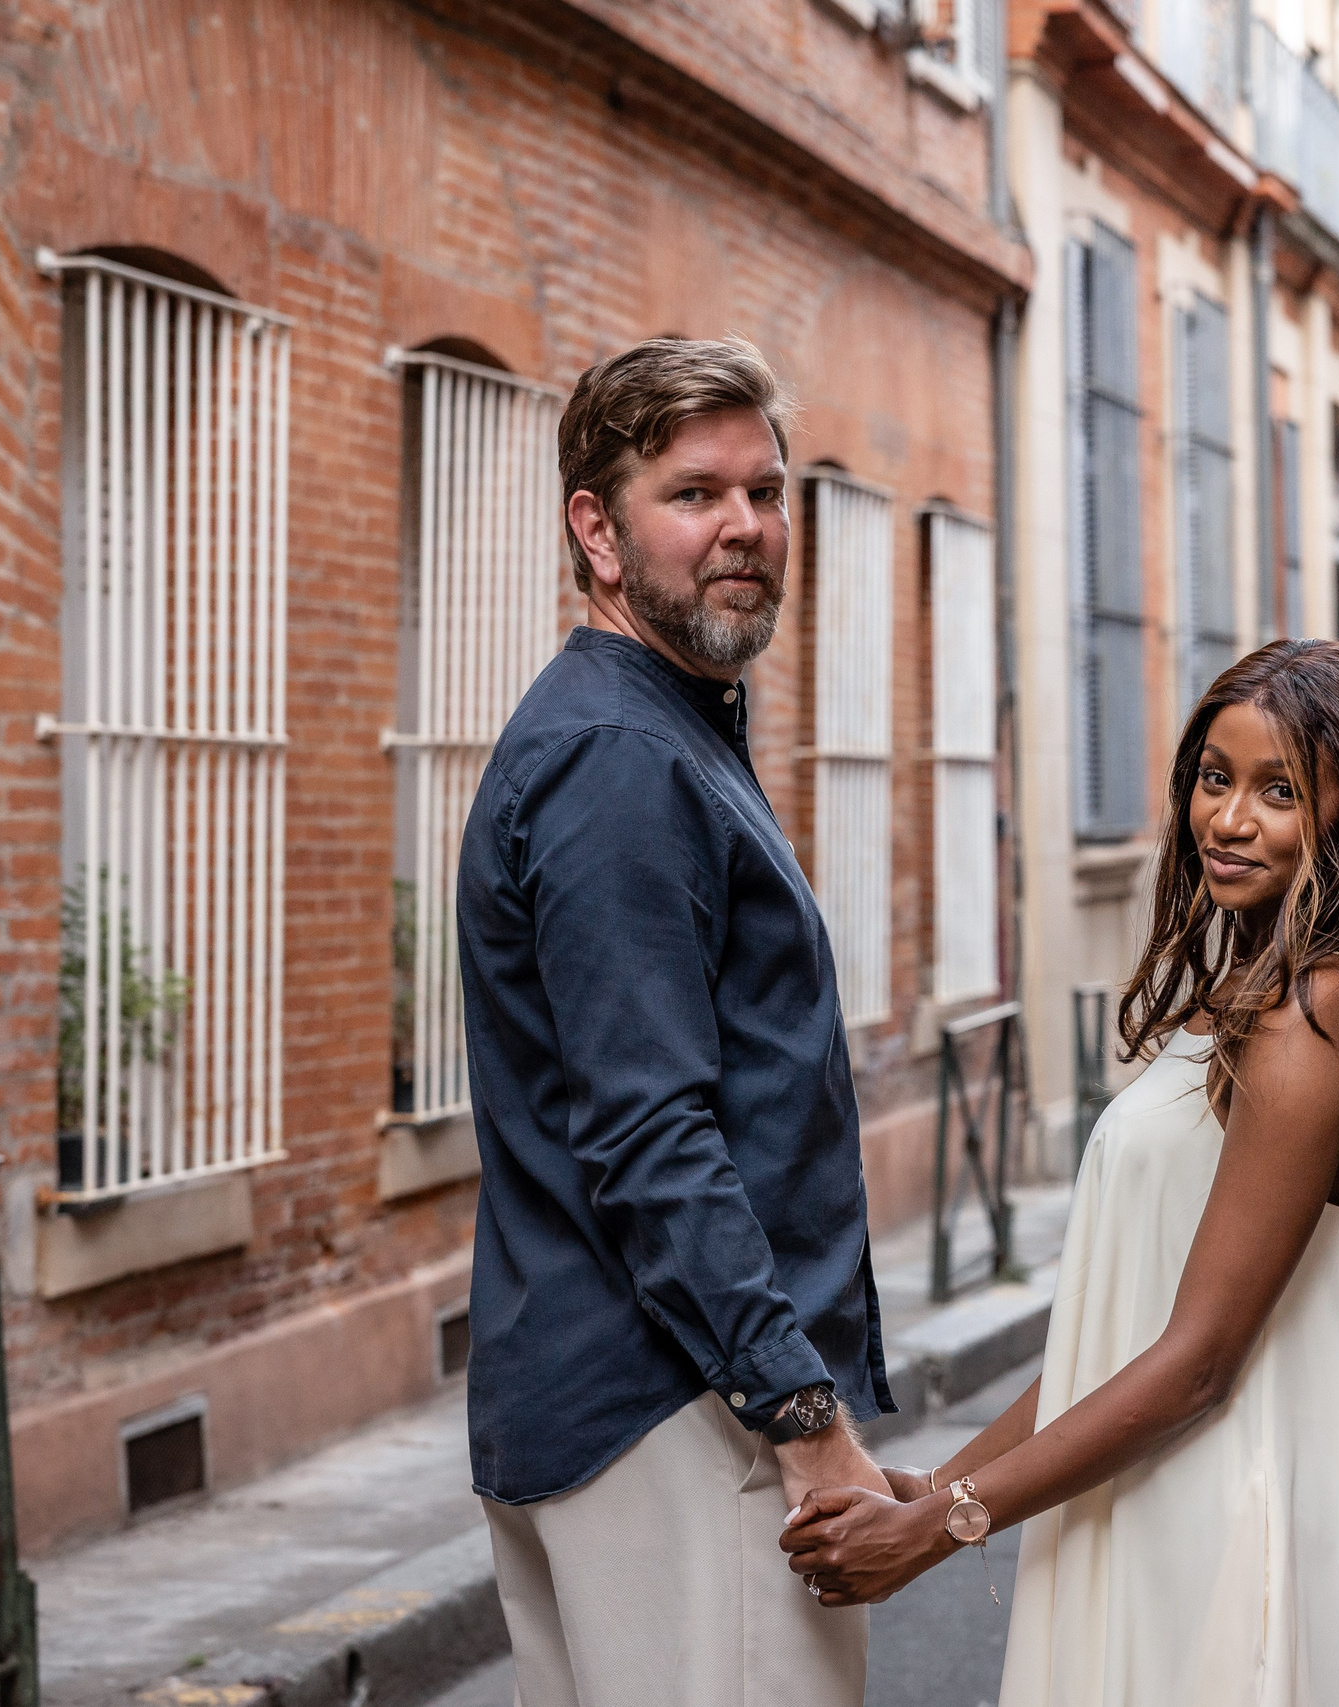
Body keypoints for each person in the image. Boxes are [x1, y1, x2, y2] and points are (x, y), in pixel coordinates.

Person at [785, 639, 1339, 1706]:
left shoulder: (1316, 1009)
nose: (1229, 820)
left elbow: (1202, 1358)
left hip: (1233, 1504)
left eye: (1280, 792)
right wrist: (932, 1484)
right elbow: (1119, 1331)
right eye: (1215, 778)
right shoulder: (1258, 993)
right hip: (1176, 1490)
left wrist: (943, 1525)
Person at [455, 336, 892, 1707]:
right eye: (696, 494)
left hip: (626, 1398)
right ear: (597, 527)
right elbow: (650, 1132)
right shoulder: (622, 758)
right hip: (680, 1416)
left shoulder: (658, 725)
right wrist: (800, 1415)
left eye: (768, 492)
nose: (749, 528)